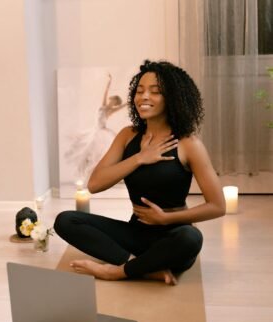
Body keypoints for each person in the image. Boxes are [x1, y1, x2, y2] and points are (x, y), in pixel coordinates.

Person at [54, 59, 226, 285]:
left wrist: (167, 218)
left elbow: (217, 206)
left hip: (173, 236)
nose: (143, 97)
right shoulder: (128, 136)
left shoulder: (188, 143)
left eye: (155, 92)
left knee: (191, 238)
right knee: (66, 220)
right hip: (136, 234)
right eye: (139, 90)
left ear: (172, 98)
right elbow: (95, 184)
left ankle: (116, 271)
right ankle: (142, 268)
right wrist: (139, 158)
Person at [64, 73, 126, 183]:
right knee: (86, 152)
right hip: (95, 131)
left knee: (101, 153)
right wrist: (109, 82)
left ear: (115, 104)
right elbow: (105, 93)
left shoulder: (110, 110)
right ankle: (86, 175)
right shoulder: (103, 106)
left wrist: (129, 102)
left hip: (102, 132)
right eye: (112, 100)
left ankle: (104, 174)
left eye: (114, 102)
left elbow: (122, 106)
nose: (112, 102)